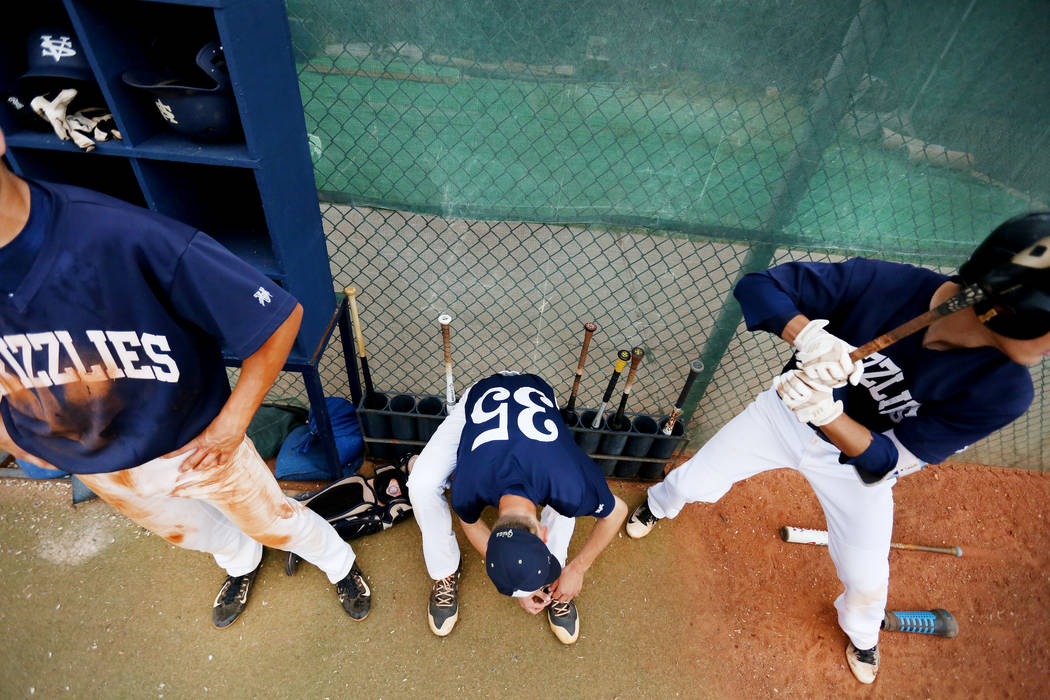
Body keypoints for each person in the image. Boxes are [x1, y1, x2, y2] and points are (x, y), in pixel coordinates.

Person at [624, 212, 1050, 684]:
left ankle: (864, 635)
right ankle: (657, 507)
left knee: (867, 579)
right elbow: (757, 286)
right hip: (782, 416)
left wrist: (828, 414)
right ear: (1007, 309)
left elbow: (882, 463)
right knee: (695, 479)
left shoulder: (1005, 391)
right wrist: (808, 337)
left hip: (852, 461)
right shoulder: (885, 283)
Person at [0, 127, 371, 628]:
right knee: (197, 534)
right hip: (95, 462)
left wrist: (232, 423)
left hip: (194, 441)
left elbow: (282, 317)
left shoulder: (117, 235)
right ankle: (241, 564)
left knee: (275, 522)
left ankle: (338, 564)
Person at [406, 371, 628, 644]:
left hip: (538, 395)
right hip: (479, 401)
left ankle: (554, 583)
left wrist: (577, 569)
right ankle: (444, 572)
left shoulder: (570, 485)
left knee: (566, 506)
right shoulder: (466, 489)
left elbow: (618, 511)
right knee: (420, 484)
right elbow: (470, 521)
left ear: (543, 535)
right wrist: (519, 580)